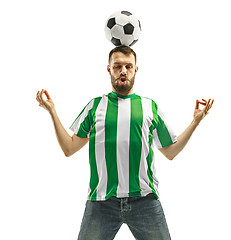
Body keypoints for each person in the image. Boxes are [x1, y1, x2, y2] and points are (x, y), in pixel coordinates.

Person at [36, 45, 214, 240]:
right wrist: (52, 112)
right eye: (117, 66)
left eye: (128, 66)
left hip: (144, 201)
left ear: (136, 70)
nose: (123, 71)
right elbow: (69, 148)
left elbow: (170, 152)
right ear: (109, 69)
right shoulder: (95, 106)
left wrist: (196, 122)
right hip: (101, 202)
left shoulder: (149, 107)